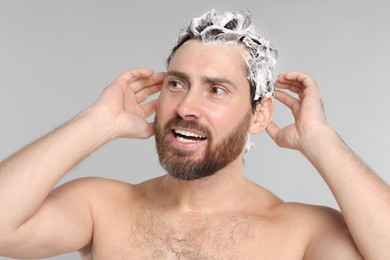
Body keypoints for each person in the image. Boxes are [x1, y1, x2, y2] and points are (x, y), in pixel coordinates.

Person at [0, 9, 389, 259]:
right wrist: (97, 121)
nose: (186, 107)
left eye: (216, 90)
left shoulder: (301, 234)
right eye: (176, 84)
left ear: (259, 115)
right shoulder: (101, 208)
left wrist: (322, 140)